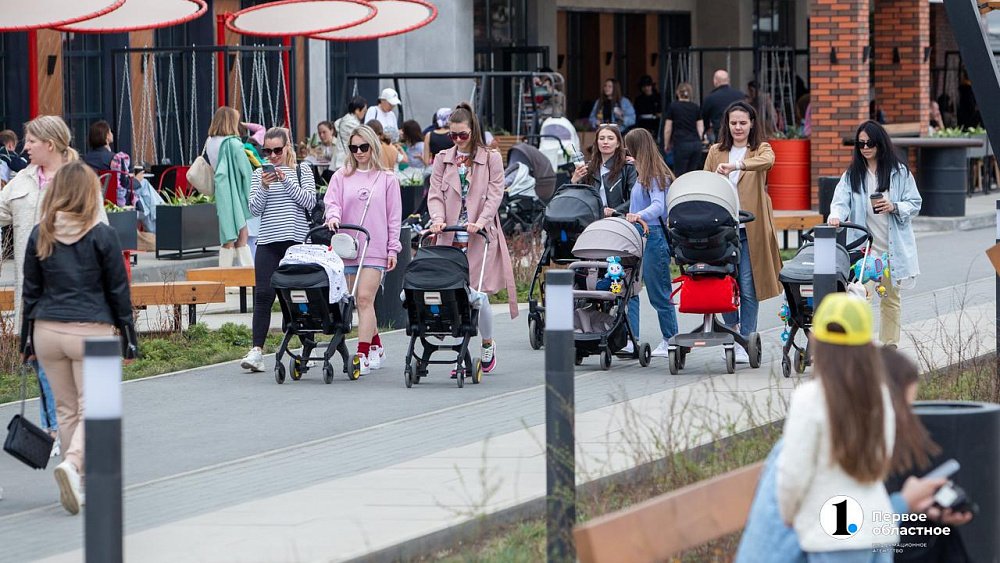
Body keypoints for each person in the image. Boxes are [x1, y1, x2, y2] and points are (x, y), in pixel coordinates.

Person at [735, 344, 969, 563]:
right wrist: (904, 505)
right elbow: (846, 541)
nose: (907, 422)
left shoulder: (834, 441)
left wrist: (911, 508)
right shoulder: (837, 462)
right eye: (902, 410)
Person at [20, 162, 135, 515]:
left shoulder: (41, 233)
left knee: (67, 411)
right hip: (92, 331)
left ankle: (74, 482)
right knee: (95, 407)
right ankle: (72, 467)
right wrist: (129, 335)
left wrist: (25, 340)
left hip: (47, 332)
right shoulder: (102, 234)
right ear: (89, 193)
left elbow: (30, 291)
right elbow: (118, 290)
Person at [0, 115, 108, 451]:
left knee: (80, 375)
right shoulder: (21, 182)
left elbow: (101, 234)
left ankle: (75, 439)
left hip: (78, 292)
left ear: (50, 143)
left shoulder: (80, 180)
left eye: (31, 141)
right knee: (44, 363)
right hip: (35, 292)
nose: (25, 146)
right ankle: (58, 430)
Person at [777, 294, 898, 560]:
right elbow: (883, 458)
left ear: (816, 342)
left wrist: (787, 513)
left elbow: (793, 472)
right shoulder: (880, 394)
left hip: (831, 533)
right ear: (868, 344)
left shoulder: (810, 398)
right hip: (877, 527)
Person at [428, 103, 518, 374]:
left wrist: (481, 221)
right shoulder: (442, 158)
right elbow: (434, 194)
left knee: (478, 295)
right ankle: (461, 352)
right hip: (450, 233)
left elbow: (494, 194)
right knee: (454, 294)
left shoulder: (490, 158)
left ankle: (487, 343)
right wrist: (437, 219)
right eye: (452, 135)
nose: (457, 140)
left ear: (473, 130)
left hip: (479, 234)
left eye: (462, 135)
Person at [828, 120, 922, 348]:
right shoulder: (853, 174)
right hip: (864, 250)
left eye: (870, 143)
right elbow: (840, 201)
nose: (865, 148)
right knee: (860, 297)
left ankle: (889, 345)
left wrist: (894, 206)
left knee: (890, 299)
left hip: (892, 250)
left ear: (880, 143)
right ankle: (862, 344)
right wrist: (835, 216)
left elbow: (915, 203)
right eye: (860, 144)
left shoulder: (899, 172)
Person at [703, 100, 781, 359]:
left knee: (748, 285)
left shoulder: (761, 149)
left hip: (750, 228)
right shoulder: (716, 150)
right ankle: (732, 329)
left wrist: (736, 166)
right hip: (722, 229)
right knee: (725, 283)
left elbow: (768, 161)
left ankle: (746, 339)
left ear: (751, 124)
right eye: (733, 122)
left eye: (742, 123)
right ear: (727, 124)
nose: (738, 127)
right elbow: (706, 182)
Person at [324, 125, 402, 375]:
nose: (359, 152)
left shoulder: (388, 178)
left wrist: (393, 249)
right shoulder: (341, 176)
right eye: (354, 148)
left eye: (364, 147)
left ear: (373, 146)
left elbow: (394, 217)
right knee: (357, 302)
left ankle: (362, 353)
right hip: (347, 247)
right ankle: (376, 345)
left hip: (375, 246)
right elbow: (331, 202)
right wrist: (333, 217)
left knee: (365, 298)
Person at [240, 128, 317, 373]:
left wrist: (286, 180)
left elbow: (310, 202)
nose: (272, 156)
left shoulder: (302, 170)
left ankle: (308, 346)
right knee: (263, 295)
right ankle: (256, 351)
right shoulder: (258, 174)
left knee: (296, 296)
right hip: (268, 241)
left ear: (287, 148)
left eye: (277, 150)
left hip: (296, 242)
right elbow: (254, 209)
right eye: (267, 151)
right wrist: (264, 186)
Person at [623, 128, 678, 358]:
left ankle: (670, 338)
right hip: (640, 234)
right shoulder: (643, 172)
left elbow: (659, 206)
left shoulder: (655, 175)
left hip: (652, 235)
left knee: (659, 291)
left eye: (629, 146)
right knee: (632, 287)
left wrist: (639, 215)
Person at [205, 106, 254, 268]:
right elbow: (246, 171)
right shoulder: (234, 144)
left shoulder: (210, 141)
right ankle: (246, 274)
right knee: (242, 233)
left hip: (222, 191)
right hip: (235, 192)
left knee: (227, 234)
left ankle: (224, 275)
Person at [663, 82, 705, 176]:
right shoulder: (695, 107)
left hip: (681, 143)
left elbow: (668, 128)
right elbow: (700, 127)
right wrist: (701, 139)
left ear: (678, 93)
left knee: (679, 174)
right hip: (695, 144)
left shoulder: (673, 107)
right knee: (692, 174)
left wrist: (666, 144)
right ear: (690, 93)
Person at [701, 69, 746, 143]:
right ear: (728, 80)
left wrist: (707, 128)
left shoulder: (710, 98)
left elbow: (704, 116)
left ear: (715, 81)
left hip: (720, 133)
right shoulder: (740, 95)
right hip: (740, 132)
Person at [333, 96, 368, 171]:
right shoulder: (350, 123)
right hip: (344, 161)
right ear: (357, 110)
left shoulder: (346, 119)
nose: (364, 113)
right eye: (364, 111)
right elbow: (364, 137)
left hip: (345, 160)